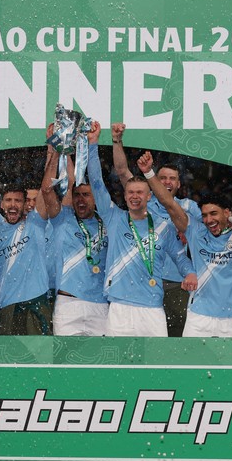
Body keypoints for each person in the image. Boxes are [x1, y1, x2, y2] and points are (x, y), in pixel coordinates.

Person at [139, 152, 232, 337]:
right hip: (198, 317)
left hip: (231, 319)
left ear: (226, 213)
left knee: (229, 366)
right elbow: (168, 202)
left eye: (214, 214)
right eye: (204, 215)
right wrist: (149, 173)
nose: (208, 219)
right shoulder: (195, 231)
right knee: (191, 363)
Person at [87, 130, 197, 337]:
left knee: (157, 365)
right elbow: (96, 183)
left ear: (149, 196)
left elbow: (181, 258)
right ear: (125, 195)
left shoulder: (164, 227)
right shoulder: (114, 218)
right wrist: (93, 145)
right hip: (119, 307)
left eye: (139, 192)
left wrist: (189, 273)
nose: (134, 196)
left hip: (152, 307)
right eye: (130, 192)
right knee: (118, 366)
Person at [42, 136, 110, 336]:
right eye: (77, 195)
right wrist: (55, 150)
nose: (80, 200)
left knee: (100, 363)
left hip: (100, 305)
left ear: (96, 199)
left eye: (86, 195)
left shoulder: (108, 223)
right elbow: (47, 191)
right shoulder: (63, 219)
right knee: (64, 362)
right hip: (68, 303)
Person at [0, 181, 52, 335]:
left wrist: (52, 158)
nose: (13, 204)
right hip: (5, 304)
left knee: (39, 356)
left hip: (36, 301)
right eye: (8, 200)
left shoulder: (36, 224)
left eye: (18, 201)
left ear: (25, 205)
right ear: (2, 204)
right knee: (5, 356)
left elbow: (46, 188)